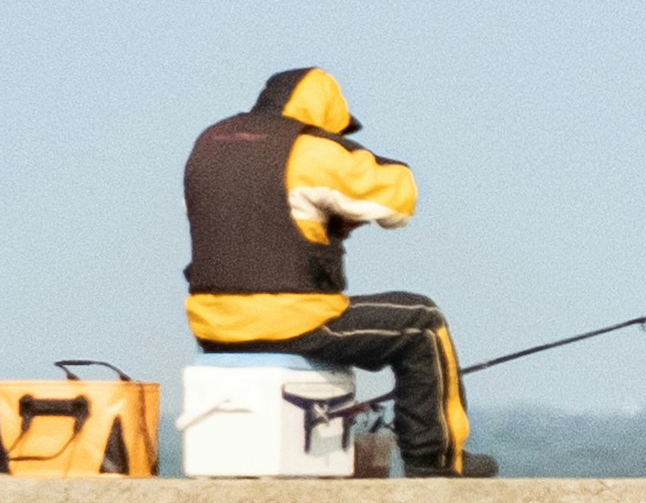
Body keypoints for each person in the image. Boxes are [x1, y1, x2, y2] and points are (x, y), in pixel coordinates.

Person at [182, 66, 495, 477]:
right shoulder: (310, 150)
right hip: (294, 321)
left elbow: (261, 216)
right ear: (325, 115)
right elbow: (398, 199)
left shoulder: (209, 144)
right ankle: (436, 462)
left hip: (212, 326)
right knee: (422, 323)